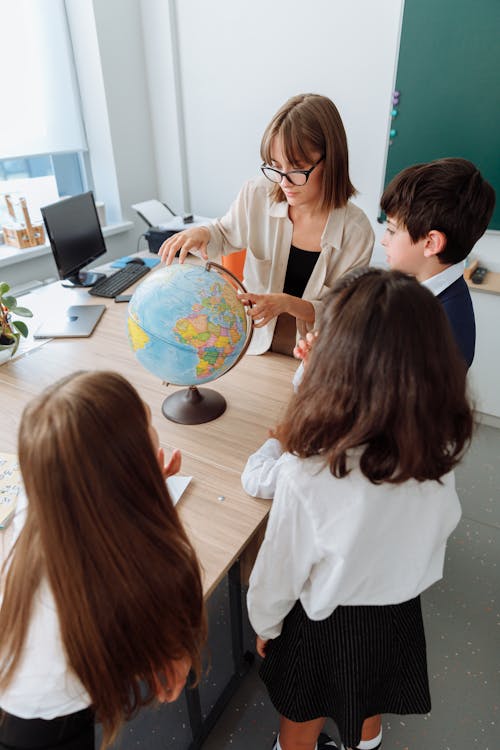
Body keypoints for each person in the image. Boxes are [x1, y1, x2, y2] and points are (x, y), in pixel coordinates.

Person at [242, 268, 473, 750]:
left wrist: (266, 625)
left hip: (321, 622)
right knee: (367, 704)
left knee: (300, 722)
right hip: (396, 612)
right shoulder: (437, 450)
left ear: (337, 367)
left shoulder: (308, 471)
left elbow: (277, 571)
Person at [0, 371, 206, 750]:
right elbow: (163, 592)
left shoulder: (48, 491)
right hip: (41, 722)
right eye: (148, 423)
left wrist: (133, 488)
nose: (153, 427)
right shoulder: (129, 576)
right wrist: (147, 499)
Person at [159, 93, 374, 356]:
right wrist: (202, 232)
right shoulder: (257, 193)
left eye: (297, 169)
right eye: (275, 166)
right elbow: (224, 233)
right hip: (253, 342)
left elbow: (343, 313)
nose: (283, 182)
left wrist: (287, 304)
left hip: (314, 355)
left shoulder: (357, 232)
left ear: (331, 161)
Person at [380, 157, 495, 368]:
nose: (383, 240)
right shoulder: (413, 287)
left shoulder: (445, 330)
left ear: (431, 243)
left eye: (392, 230)